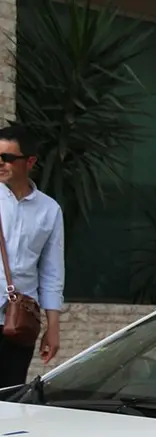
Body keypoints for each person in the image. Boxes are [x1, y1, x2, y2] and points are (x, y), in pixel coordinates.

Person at [0, 125, 63, 386]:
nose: (0, 164)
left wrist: (53, 328)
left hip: (19, 322)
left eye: (8, 158)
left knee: (9, 397)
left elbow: (52, 272)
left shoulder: (49, 210)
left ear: (30, 161)